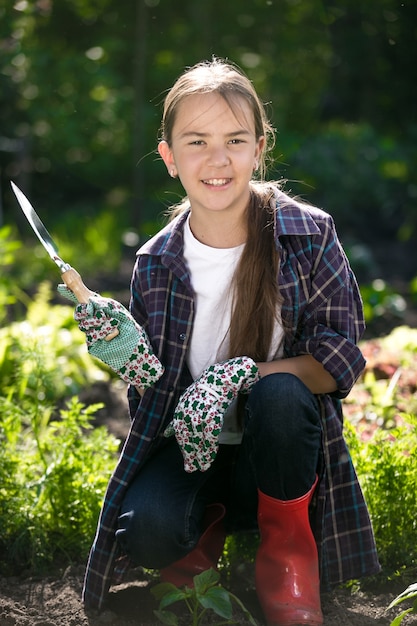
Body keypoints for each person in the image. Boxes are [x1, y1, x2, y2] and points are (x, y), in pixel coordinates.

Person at [62, 58, 380, 625]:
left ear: (260, 148)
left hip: (280, 461)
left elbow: (339, 362)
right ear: (169, 158)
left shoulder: (308, 234)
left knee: (281, 397)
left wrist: (243, 375)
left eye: (235, 140)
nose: (217, 159)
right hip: (192, 452)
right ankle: (200, 542)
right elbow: (156, 393)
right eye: (197, 142)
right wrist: (125, 349)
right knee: (148, 529)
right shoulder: (156, 262)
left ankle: (286, 563)